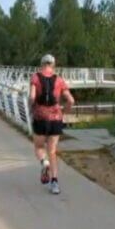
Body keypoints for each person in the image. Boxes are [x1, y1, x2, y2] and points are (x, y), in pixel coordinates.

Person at [29, 54, 74, 194]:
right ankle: (54, 184)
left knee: (38, 147)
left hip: (40, 118)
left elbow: (31, 97)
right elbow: (71, 100)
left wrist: (31, 109)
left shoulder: (35, 77)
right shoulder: (59, 80)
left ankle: (44, 162)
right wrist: (63, 113)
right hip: (56, 119)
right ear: (53, 65)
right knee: (52, 151)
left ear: (41, 64)